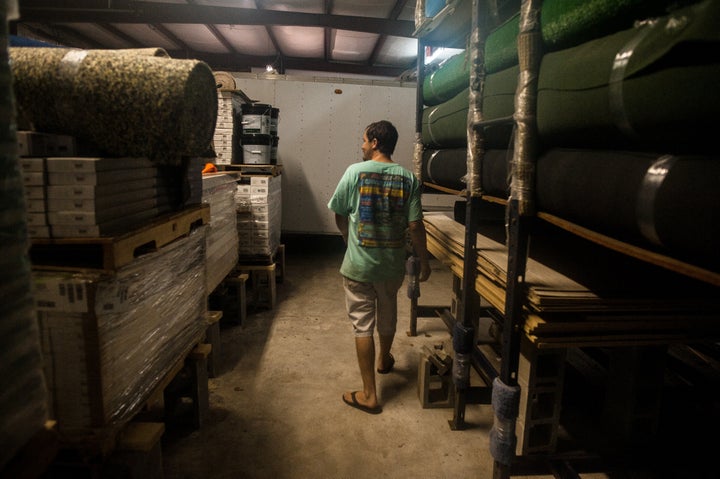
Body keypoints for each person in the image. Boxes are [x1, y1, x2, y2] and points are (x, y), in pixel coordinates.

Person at [327, 120, 431, 414]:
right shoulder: (408, 179)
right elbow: (415, 225)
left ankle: (370, 394)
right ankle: (384, 359)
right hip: (391, 266)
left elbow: (338, 212)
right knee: (388, 315)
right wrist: (424, 262)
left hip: (359, 266)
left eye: (363, 140)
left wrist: (349, 240)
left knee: (363, 326)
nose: (361, 145)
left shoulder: (354, 173)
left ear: (374, 142)